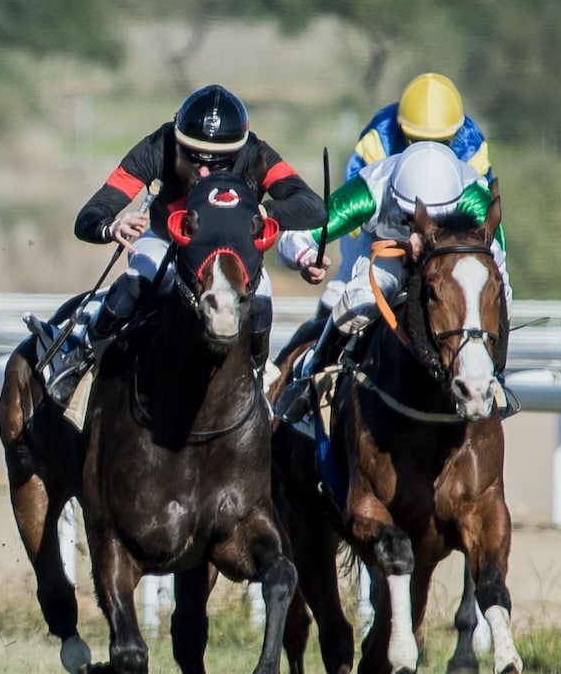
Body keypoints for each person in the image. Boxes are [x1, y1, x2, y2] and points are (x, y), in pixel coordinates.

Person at [35, 84, 326, 403]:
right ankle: (82, 361)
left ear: (239, 150)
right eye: (193, 158)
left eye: (219, 164)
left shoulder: (256, 153)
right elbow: (90, 215)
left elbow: (313, 207)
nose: (203, 172)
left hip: (228, 254)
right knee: (138, 279)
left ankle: (255, 378)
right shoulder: (158, 145)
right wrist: (111, 226)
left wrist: (258, 210)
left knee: (263, 292)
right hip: (165, 240)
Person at [273, 140, 510, 424]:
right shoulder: (371, 188)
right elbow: (294, 236)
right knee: (359, 300)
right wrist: (305, 257)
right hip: (390, 255)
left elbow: (497, 266)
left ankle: (494, 377)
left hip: (448, 263)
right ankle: (312, 377)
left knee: (495, 294)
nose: (415, 233)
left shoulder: (474, 196)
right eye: (408, 219)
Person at [318, 72, 492, 315]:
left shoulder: (473, 145)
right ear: (401, 129)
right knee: (344, 290)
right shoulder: (379, 136)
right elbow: (356, 210)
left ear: (455, 134)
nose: (429, 149)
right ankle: (320, 351)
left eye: (442, 142)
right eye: (417, 140)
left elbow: (479, 219)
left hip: (443, 242)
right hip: (379, 235)